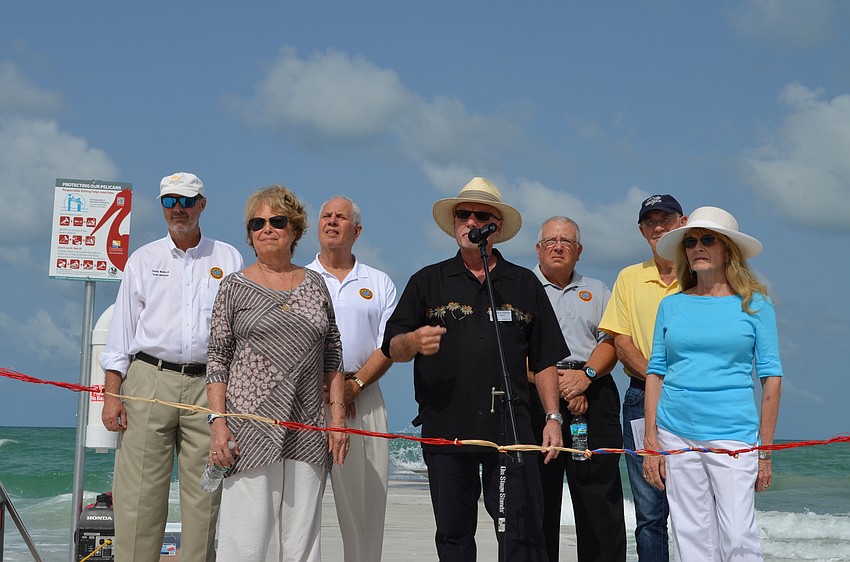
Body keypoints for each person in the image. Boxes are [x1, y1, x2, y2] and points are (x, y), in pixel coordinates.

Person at [381, 177, 569, 562]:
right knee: (453, 534)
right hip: (446, 425)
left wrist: (552, 418)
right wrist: (415, 341)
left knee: (520, 533)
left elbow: (546, 357)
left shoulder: (523, 283)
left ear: (495, 227)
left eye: (480, 215)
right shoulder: (426, 281)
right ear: (453, 224)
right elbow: (392, 346)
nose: (470, 221)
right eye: (463, 215)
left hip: (511, 427)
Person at [99, 172, 244, 562]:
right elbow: (121, 333)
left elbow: (238, 331)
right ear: (162, 206)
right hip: (149, 378)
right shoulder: (143, 259)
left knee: (205, 499)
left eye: (186, 200)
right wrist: (112, 396)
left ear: (202, 204)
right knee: (138, 499)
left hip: (209, 384)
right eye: (169, 201)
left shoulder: (229, 257)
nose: (177, 208)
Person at [205, 185, 348, 562]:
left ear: (295, 230)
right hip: (249, 426)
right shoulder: (233, 287)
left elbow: (333, 354)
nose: (267, 229)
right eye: (257, 223)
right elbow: (217, 358)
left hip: (307, 425)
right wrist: (218, 423)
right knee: (244, 542)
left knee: (302, 542)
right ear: (250, 235)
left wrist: (337, 420)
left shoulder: (316, 284)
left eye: (277, 221)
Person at [643, 206, 782, 561]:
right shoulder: (671, 305)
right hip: (675, 431)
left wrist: (765, 451)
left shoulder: (756, 305)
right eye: (690, 242)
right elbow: (656, 371)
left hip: (734, 433)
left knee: (738, 535)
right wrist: (651, 439)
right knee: (690, 535)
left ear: (728, 251)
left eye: (708, 240)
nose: (697, 247)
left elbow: (771, 378)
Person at [529, 216, 626, 561]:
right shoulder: (520, 287)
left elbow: (611, 342)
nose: (559, 247)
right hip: (535, 397)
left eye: (567, 242)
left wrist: (585, 376)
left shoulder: (598, 290)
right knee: (537, 500)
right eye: (551, 241)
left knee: (600, 502)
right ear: (538, 249)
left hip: (594, 392)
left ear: (579, 251)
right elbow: (509, 350)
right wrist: (554, 385)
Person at [306, 196, 397, 562]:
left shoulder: (378, 282)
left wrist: (354, 385)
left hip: (365, 397)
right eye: (326, 216)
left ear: (356, 230)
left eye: (340, 217)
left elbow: (387, 345)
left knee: (365, 511)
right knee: (300, 507)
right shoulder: (300, 279)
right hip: (307, 399)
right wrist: (329, 392)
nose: (331, 222)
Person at [599, 193, 687, 561]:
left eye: (665, 218)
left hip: (693, 396)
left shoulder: (700, 273)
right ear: (641, 230)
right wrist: (656, 376)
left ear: (682, 222)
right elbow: (620, 339)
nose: (658, 227)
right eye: (650, 221)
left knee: (695, 507)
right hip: (639, 399)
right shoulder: (629, 277)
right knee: (650, 512)